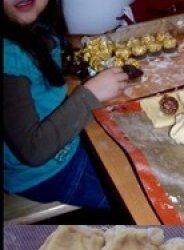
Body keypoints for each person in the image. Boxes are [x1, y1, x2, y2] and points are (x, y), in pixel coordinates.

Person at [3, 0, 129, 209]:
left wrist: (96, 40)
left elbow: (60, 43)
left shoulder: (37, 28)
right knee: (133, 195)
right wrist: (91, 93)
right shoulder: (8, 57)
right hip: (45, 173)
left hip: (66, 142)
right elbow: (33, 150)